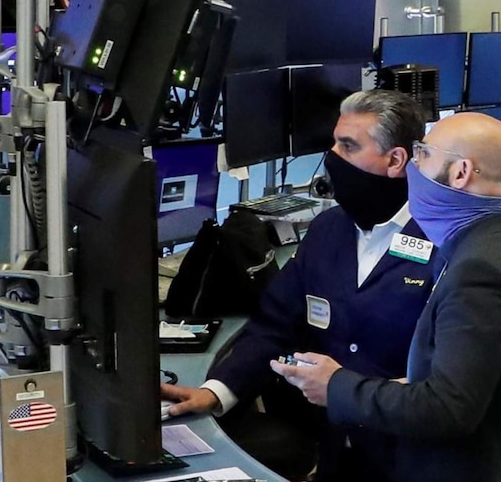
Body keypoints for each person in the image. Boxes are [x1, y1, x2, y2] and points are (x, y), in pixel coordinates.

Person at [275, 112, 501, 482]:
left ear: (460, 172)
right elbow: (480, 386)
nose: (410, 168)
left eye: (423, 155)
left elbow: (448, 409)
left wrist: (336, 386)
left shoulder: (480, 270)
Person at [161, 89, 438, 482]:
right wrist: (216, 390)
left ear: (396, 160)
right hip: (337, 455)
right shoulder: (328, 230)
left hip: (410, 460)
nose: (332, 159)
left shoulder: (441, 241)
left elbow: (446, 384)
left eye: (348, 146)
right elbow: (275, 325)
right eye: (334, 143)